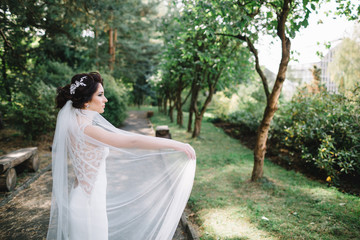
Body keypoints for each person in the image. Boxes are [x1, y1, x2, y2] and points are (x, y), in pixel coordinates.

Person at [46, 72, 196, 240]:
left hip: (82, 196)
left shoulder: (74, 125)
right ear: (86, 101)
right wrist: (177, 144)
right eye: (100, 95)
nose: (106, 99)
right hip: (89, 205)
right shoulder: (88, 130)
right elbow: (132, 141)